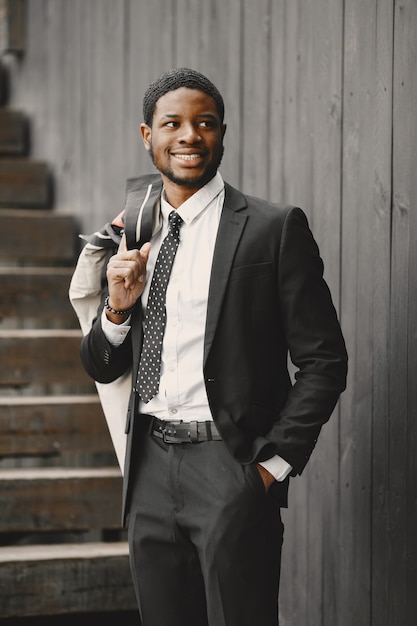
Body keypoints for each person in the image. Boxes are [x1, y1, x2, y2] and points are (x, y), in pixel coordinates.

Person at [80, 67, 347, 626]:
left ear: (222, 132)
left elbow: (324, 361)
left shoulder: (272, 229)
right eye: (172, 123)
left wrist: (270, 467)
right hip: (148, 467)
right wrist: (117, 310)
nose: (189, 136)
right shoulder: (134, 233)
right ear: (146, 136)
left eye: (204, 123)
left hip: (229, 465)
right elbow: (103, 367)